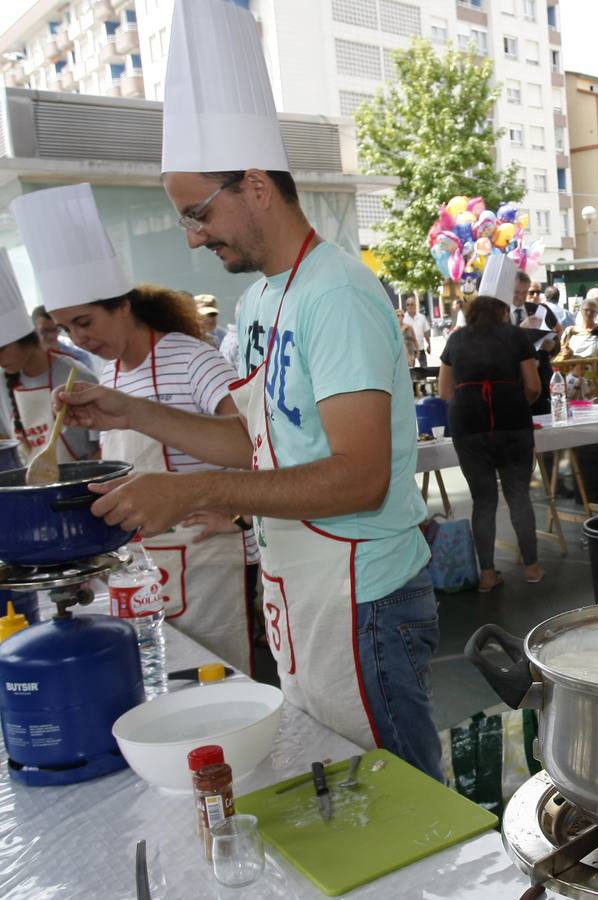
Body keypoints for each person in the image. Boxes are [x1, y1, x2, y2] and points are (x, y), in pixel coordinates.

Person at [55, 0, 442, 781]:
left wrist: (212, 494)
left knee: (404, 800)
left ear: (257, 185)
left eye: (199, 214)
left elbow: (362, 476)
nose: (194, 236)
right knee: (344, 782)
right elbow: (254, 440)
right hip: (304, 587)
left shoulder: (335, 293)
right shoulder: (266, 298)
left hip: (362, 594)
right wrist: (130, 409)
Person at [12, 196, 259, 675]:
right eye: (66, 328)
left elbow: (253, 442)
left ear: (123, 306)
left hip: (206, 562)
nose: (78, 340)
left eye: (86, 322)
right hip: (145, 563)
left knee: (215, 682)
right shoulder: (110, 374)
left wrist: (241, 514)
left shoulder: (191, 358)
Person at [438, 256, 544, 592]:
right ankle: (532, 567)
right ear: (501, 309)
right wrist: (511, 401)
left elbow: (444, 391)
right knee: (518, 497)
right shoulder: (516, 337)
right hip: (512, 424)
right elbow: (533, 387)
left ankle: (486, 574)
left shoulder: (455, 340)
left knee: (483, 500)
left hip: (468, 427)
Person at [0, 249, 99, 461]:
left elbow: (103, 447)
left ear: (26, 338)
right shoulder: (1, 384)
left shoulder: (77, 376)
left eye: (2, 350)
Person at [508, 271, 559, 415]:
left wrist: (552, 346)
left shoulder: (539, 310)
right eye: (517, 292)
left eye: (525, 292)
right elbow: (499, 343)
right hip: (516, 380)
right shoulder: (501, 312)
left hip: (541, 378)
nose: (521, 297)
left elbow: (556, 341)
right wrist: (520, 328)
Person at [31, 305, 96, 369]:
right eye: (44, 331)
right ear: (33, 330)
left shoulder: (79, 357)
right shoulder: (27, 359)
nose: (51, 336)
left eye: (55, 330)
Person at [402, 297, 431, 367]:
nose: (410, 306)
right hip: (409, 351)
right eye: (408, 305)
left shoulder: (422, 317)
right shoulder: (403, 318)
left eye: (412, 304)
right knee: (411, 372)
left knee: (424, 370)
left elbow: (426, 333)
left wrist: (429, 344)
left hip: (420, 349)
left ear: (415, 305)